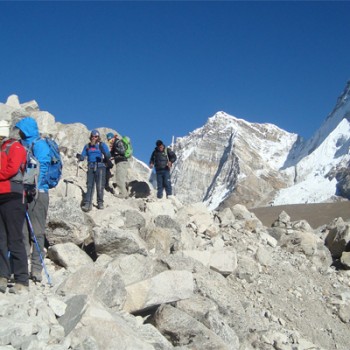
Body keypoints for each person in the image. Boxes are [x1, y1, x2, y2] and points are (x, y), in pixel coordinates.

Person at [15, 116, 51, 284]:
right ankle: (20, 268)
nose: (19, 132)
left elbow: (43, 165)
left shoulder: (40, 144)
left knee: (37, 232)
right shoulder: (21, 145)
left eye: (21, 129)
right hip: (22, 192)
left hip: (38, 193)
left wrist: (33, 185)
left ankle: (36, 269)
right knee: (21, 232)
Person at [0, 119, 29, 293]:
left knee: (15, 238)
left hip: (13, 196)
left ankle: (22, 280)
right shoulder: (4, 148)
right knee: (1, 239)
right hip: (2, 196)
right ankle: (2, 275)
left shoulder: (16, 147)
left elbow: (11, 169)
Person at [77, 129, 111, 211]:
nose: (94, 138)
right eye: (93, 136)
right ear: (90, 137)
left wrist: (105, 153)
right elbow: (83, 156)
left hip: (101, 166)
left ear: (98, 137)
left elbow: (108, 155)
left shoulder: (102, 145)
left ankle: (100, 202)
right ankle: (88, 203)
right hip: (91, 166)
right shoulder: (87, 146)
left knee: (100, 185)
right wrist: (79, 157)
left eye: (96, 136)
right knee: (89, 185)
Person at [107, 132, 129, 199]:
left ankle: (122, 194)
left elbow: (122, 151)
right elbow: (113, 154)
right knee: (121, 178)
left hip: (121, 162)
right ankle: (125, 194)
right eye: (109, 140)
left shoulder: (118, 142)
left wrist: (115, 149)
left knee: (119, 179)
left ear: (113, 137)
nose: (110, 141)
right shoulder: (115, 144)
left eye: (110, 139)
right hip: (121, 162)